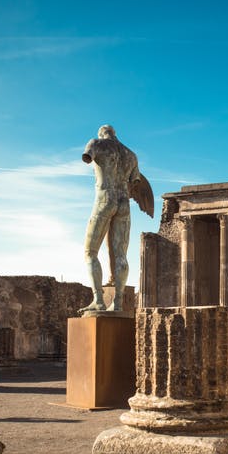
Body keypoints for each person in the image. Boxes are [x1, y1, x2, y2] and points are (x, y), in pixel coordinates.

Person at [80, 125, 145, 313]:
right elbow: (135, 182)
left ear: (101, 133)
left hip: (104, 199)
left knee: (90, 251)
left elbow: (87, 157)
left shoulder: (96, 143)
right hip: (124, 203)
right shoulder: (131, 155)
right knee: (121, 256)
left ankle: (98, 300)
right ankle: (117, 302)